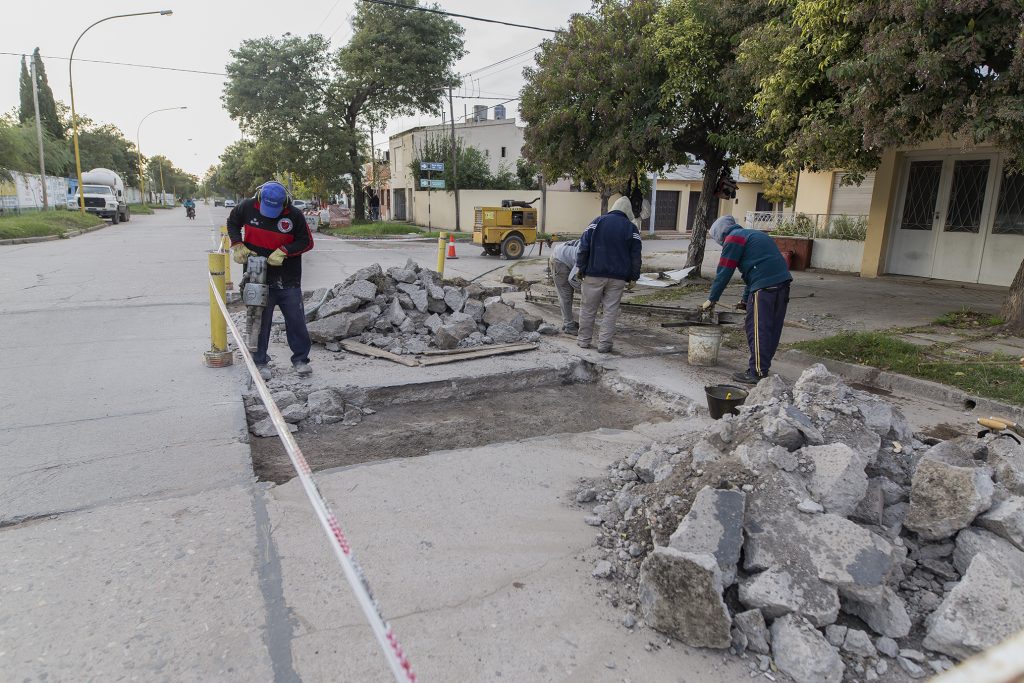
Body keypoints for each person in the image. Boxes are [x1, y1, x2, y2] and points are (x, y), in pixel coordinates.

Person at [228, 181, 315, 380]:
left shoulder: (294, 215)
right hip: (257, 274)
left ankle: (301, 359)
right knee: (259, 318)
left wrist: (285, 251)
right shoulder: (247, 207)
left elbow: (306, 241)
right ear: (259, 198)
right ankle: (260, 361)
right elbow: (233, 223)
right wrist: (237, 244)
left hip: (288, 277)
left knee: (295, 319)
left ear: (284, 203)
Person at [701, 215, 792, 385]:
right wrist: (745, 300)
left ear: (720, 234)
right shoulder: (753, 235)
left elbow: (724, 272)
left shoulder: (733, 239)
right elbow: (754, 272)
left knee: (757, 329)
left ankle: (757, 372)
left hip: (765, 287)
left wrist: (711, 299)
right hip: (782, 283)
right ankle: (762, 367)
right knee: (771, 328)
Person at [575, 196, 642, 353]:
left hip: (593, 274)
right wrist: (634, 276)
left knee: (588, 308)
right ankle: (604, 344)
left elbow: (583, 246)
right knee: (610, 311)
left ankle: (584, 341)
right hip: (618, 278)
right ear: (627, 212)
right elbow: (636, 255)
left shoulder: (597, 222)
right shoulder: (631, 228)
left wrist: (580, 267)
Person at [549, 238, 582, 334]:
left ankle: (568, 321)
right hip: (559, 260)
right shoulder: (586, 254)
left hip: (563, 254)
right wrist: (586, 291)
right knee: (566, 294)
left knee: (567, 294)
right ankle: (569, 326)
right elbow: (572, 279)